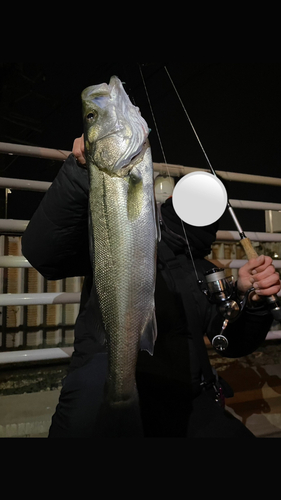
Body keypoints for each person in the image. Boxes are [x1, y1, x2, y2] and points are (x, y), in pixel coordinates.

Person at [22, 135, 281, 438]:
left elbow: (233, 342)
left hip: (187, 392)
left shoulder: (210, 271)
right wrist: (80, 172)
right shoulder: (119, 233)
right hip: (104, 377)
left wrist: (252, 301)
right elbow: (44, 253)